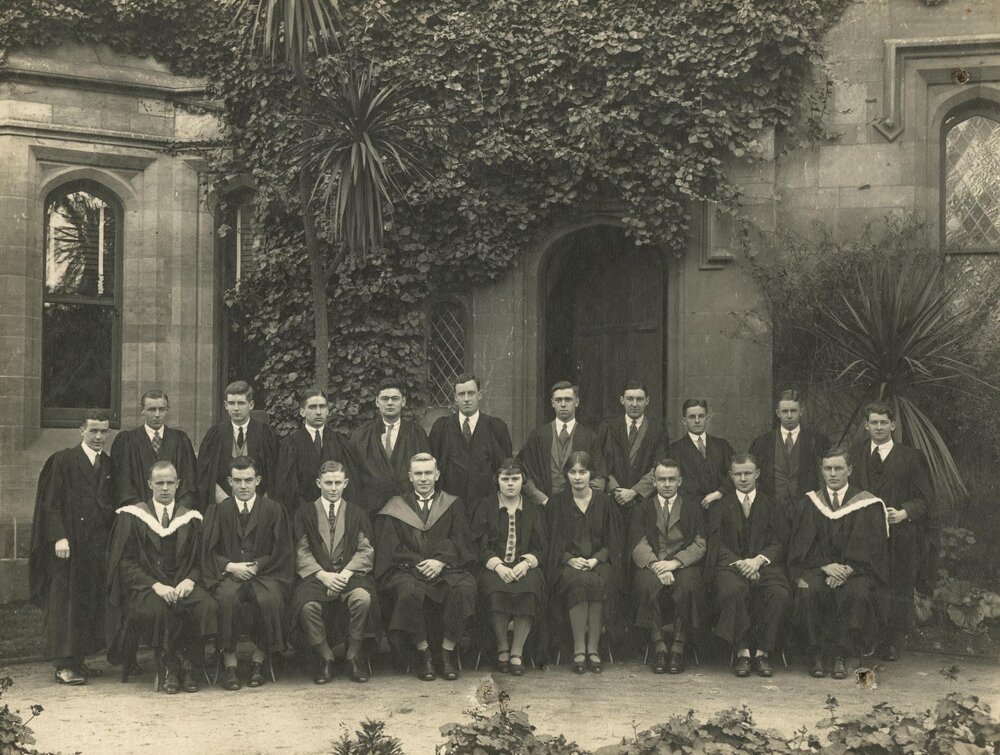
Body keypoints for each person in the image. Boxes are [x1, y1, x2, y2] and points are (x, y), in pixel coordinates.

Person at [106, 461, 218, 694]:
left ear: (178, 484)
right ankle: (169, 667)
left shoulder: (191, 518)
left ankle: (189, 664)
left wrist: (189, 580)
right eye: (159, 483)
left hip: (183, 583)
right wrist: (155, 585)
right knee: (160, 610)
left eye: (170, 483)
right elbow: (125, 564)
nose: (165, 488)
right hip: (147, 587)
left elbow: (201, 561)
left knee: (205, 605)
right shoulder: (133, 516)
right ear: (150, 484)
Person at [29, 410, 115, 685]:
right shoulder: (63, 460)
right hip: (70, 545)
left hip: (95, 546)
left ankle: (78, 661)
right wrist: (59, 537)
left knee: (87, 602)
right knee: (65, 605)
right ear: (81, 430)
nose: (99, 436)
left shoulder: (108, 464)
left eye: (103, 431)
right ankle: (63, 666)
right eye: (93, 430)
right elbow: (50, 503)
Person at [374, 453, 476, 681]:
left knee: (463, 589)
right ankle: (424, 653)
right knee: (408, 591)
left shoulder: (452, 504)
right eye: (418, 474)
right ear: (410, 477)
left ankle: (447, 652)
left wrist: (440, 561)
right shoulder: (396, 506)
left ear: (437, 475)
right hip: (409, 569)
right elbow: (391, 546)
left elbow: (461, 540)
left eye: (428, 473)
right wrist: (417, 563)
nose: (423, 478)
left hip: (446, 567)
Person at [787, 447, 888, 680]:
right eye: (828, 469)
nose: (833, 474)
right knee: (809, 590)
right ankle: (816, 654)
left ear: (849, 470)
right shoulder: (811, 503)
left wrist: (848, 569)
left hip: (857, 569)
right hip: (818, 567)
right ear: (822, 471)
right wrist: (825, 566)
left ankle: (843, 654)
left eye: (838, 468)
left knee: (857, 592)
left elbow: (872, 546)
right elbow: (801, 544)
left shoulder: (865, 503)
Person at [848, 401, 934, 662]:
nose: (878, 427)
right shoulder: (854, 454)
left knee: (898, 586)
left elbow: (925, 498)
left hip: (899, 535)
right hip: (864, 534)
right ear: (866, 425)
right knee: (867, 583)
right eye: (873, 422)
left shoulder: (910, 457)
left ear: (893, 425)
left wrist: (904, 512)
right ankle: (867, 638)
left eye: (883, 422)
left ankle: (893, 641)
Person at [201, 456, 293, 691]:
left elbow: (281, 549)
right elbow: (208, 551)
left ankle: (259, 660)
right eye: (238, 480)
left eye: (248, 480)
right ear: (229, 481)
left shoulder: (273, 510)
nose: (243, 486)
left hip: (264, 574)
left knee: (270, 599)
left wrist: (257, 565)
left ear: (258, 480)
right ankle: (229, 662)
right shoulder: (218, 510)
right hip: (229, 574)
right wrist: (230, 566)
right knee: (226, 599)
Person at [291, 461, 379, 684]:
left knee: (363, 599)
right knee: (307, 606)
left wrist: (345, 574)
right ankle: (326, 657)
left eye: (338, 483)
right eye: (328, 483)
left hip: (349, 574)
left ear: (345, 483)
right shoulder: (305, 513)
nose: (333, 488)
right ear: (318, 483)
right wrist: (323, 576)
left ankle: (353, 656)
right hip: (317, 576)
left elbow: (365, 550)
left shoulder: (356, 513)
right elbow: (301, 552)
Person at [707, 454, 790, 678]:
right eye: (738, 474)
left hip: (765, 565)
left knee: (779, 593)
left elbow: (779, 541)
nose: (743, 479)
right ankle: (742, 651)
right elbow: (717, 544)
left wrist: (758, 561)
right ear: (731, 476)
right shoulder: (720, 506)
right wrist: (742, 564)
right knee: (732, 590)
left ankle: (763, 652)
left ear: (757, 474)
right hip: (731, 565)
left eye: (748, 473)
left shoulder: (772, 504)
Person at [547, 451, 622, 674]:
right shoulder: (557, 503)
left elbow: (613, 541)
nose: (578, 477)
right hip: (567, 565)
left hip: (599, 563)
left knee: (599, 582)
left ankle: (593, 650)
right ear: (566, 475)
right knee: (579, 583)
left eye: (583, 472)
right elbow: (551, 541)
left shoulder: (605, 503)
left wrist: (596, 559)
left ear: (591, 474)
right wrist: (569, 559)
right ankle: (579, 650)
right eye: (572, 472)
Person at [628, 458, 705, 674]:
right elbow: (638, 543)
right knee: (646, 583)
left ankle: (678, 646)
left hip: (683, 564)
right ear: (654, 482)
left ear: (680, 481)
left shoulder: (692, 507)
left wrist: (675, 563)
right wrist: (656, 565)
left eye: (672, 479)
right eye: (662, 479)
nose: (667, 484)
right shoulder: (643, 508)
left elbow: (700, 543)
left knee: (689, 584)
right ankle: (659, 646)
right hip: (653, 563)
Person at [470, 459, 547, 676]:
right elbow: (478, 545)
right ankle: (502, 648)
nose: (510, 483)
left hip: (523, 566)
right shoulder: (485, 507)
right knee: (495, 590)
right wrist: (498, 567)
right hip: (494, 566)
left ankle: (517, 651)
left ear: (523, 480)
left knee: (530, 588)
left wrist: (526, 563)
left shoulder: (533, 509)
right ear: (498, 480)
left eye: (515, 478)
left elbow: (541, 546)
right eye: (505, 479)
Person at [429, 373, 513, 520]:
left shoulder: (496, 427)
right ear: (455, 398)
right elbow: (432, 467)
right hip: (450, 508)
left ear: (479, 395)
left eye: (471, 393)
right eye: (461, 394)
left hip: (487, 508)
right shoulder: (441, 427)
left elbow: (505, 468)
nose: (466, 399)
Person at [517, 381, 606, 509]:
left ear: (577, 402)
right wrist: (541, 498)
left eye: (568, 399)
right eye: (558, 400)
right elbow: (524, 472)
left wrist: (581, 499)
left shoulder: (590, 437)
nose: (563, 404)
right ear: (552, 403)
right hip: (543, 508)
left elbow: (600, 477)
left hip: (578, 509)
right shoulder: (538, 436)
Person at [350, 379, 430, 515]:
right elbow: (354, 478)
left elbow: (427, 471)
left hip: (409, 510)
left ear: (403, 401)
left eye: (395, 398)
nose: (390, 403)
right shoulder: (361, 435)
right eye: (385, 399)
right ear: (377, 402)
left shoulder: (416, 433)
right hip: (372, 512)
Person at [196, 381, 280, 510]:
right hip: (223, 504)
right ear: (226, 405)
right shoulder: (215, 434)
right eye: (231, 403)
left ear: (251, 405)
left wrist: (262, 503)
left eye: (241, 403)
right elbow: (205, 474)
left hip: (259, 506)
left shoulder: (265, 433)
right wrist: (223, 500)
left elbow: (274, 473)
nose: (236, 408)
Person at [110, 389, 199, 510]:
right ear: (142, 410)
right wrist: (143, 511)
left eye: (161, 409)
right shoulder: (127, 441)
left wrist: (176, 511)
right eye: (152, 409)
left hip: (175, 514)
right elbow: (123, 485)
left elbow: (189, 484)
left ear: (167, 410)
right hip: (138, 513)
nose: (157, 415)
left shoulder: (181, 440)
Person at [275, 387, 358, 514]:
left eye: (322, 407)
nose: (318, 412)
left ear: (327, 411)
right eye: (312, 407)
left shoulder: (340, 443)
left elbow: (350, 486)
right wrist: (307, 513)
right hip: (301, 514)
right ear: (302, 412)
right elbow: (287, 488)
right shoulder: (291, 444)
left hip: (336, 513)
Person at [748, 390, 829, 516]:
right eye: (785, 411)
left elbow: (825, 477)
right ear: (778, 413)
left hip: (807, 511)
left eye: (793, 411)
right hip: (772, 512)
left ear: (801, 411)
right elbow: (751, 476)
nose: (789, 416)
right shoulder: (762, 442)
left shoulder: (816, 440)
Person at [596, 380, 667, 511]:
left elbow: (659, 466)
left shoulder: (657, 430)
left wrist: (635, 491)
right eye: (630, 399)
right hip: (613, 501)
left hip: (644, 502)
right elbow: (601, 463)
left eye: (639, 399)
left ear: (647, 401)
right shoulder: (609, 427)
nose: (634, 404)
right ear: (622, 400)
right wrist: (615, 489)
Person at [666, 399, 734, 510]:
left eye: (701, 416)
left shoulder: (722, 446)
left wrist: (720, 492)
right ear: (684, 420)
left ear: (707, 418)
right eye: (692, 417)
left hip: (722, 507)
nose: (697, 421)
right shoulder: (675, 450)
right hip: (691, 510)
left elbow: (735, 474)